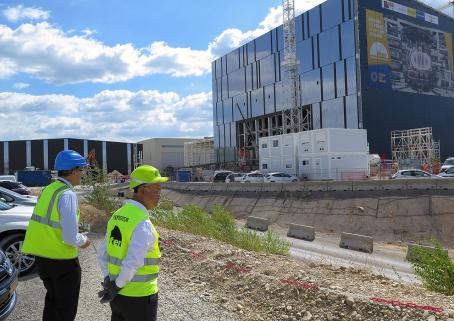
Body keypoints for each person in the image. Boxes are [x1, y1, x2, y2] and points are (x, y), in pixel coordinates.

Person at [22, 150, 91, 321]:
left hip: (43, 259)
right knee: (66, 309)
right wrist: (83, 240)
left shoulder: (48, 189)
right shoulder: (66, 195)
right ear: (74, 170)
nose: (82, 174)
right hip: (62, 262)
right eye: (81, 170)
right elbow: (70, 237)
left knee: (52, 302)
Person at [97, 165, 167, 321]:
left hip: (117, 297)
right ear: (143, 190)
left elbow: (103, 252)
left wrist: (110, 280)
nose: (159, 195)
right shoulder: (142, 223)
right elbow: (133, 262)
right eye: (157, 191)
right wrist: (117, 285)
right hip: (140, 297)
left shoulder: (117, 215)